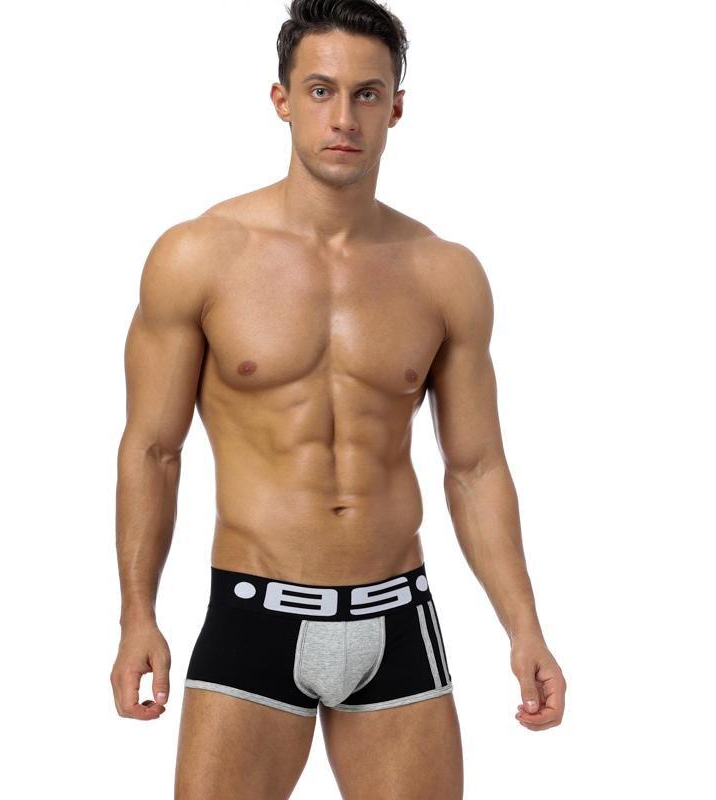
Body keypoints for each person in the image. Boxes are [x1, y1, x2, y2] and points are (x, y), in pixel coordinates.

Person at [110, 1, 566, 796]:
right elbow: (153, 450)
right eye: (320, 91)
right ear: (282, 99)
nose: (343, 117)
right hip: (253, 613)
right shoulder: (199, 257)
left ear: (396, 108)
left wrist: (524, 626)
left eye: (366, 94)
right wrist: (136, 616)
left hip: (397, 618)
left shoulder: (443, 273)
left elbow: (476, 467)